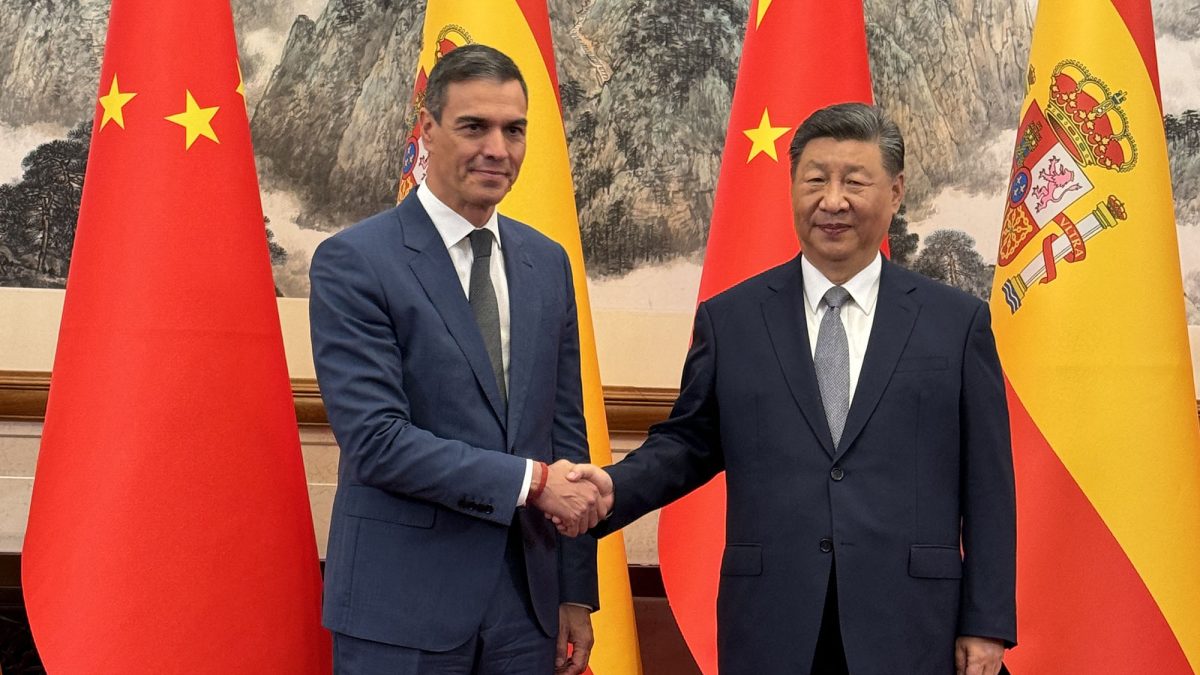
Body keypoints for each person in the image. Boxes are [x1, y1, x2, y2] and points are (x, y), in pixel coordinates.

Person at [576, 103, 1016, 675]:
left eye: (854, 182)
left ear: (897, 191)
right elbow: (686, 445)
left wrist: (985, 624)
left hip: (913, 625)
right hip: (773, 624)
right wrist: (608, 489)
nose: (832, 201)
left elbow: (988, 486)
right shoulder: (732, 320)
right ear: (792, 188)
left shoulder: (955, 324)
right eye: (815, 180)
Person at [310, 44, 608, 675]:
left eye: (514, 129)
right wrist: (532, 483)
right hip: (400, 611)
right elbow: (376, 441)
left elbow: (566, 434)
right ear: (428, 130)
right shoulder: (356, 261)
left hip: (528, 611)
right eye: (474, 126)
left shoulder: (547, 262)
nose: (497, 149)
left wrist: (575, 592)